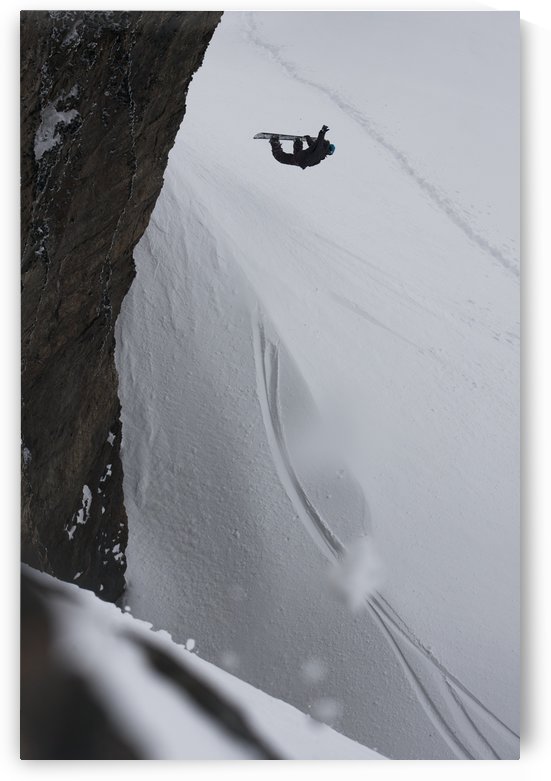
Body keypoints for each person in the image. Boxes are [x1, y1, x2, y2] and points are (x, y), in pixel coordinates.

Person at [270, 125, 335, 169]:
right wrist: (309, 138)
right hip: (301, 162)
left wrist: (322, 132)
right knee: (281, 158)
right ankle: (275, 142)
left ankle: (297, 142)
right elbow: (316, 144)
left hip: (301, 157)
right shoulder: (320, 156)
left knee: (289, 155)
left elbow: (317, 143)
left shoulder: (321, 149)